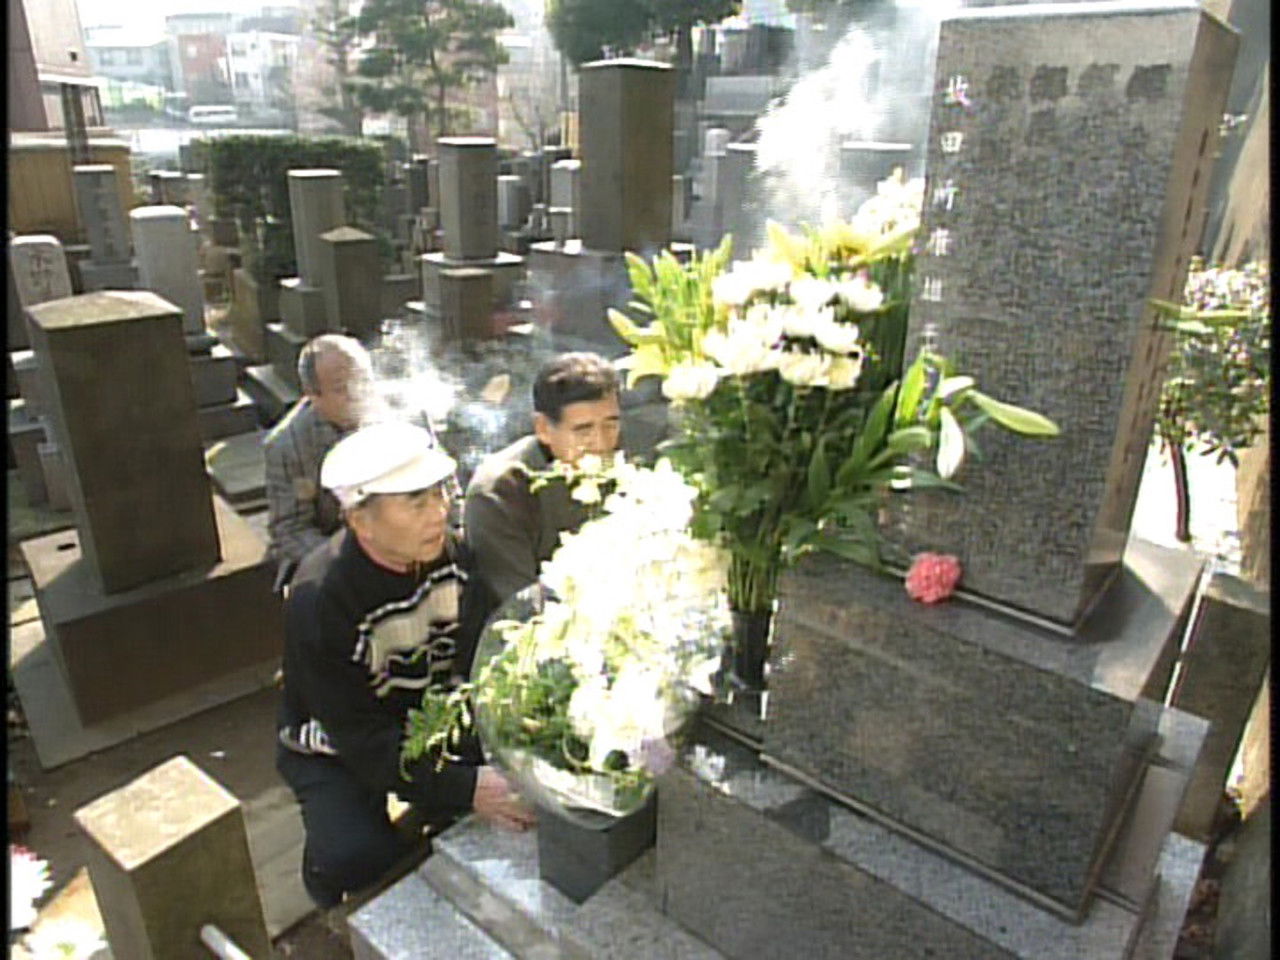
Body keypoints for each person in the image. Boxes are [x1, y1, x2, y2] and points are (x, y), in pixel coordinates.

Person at [276, 420, 534, 908]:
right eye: (416, 503)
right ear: (361, 520)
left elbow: (479, 658)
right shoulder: (320, 600)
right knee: (357, 855)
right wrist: (465, 786)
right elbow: (359, 737)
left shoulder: (453, 558)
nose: (439, 513)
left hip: (430, 717)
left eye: (439, 494)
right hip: (339, 745)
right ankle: (322, 873)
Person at [463, 351, 621, 615]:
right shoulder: (500, 492)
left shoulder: (620, 467)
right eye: (583, 430)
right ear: (544, 429)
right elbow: (523, 607)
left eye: (610, 426)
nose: (601, 443)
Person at [263, 334, 377, 592]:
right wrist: (351, 561)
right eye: (340, 388)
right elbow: (290, 529)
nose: (357, 393)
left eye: (362, 380)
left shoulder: (399, 412)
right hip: (336, 555)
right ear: (313, 396)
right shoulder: (288, 446)